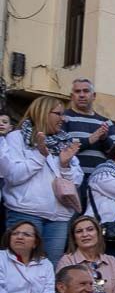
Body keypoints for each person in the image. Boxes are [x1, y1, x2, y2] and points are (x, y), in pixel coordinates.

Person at [1, 96, 83, 264]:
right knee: (19, 266)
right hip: (25, 213)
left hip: (59, 218)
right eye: (58, 114)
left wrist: (65, 165)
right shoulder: (16, 138)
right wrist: (39, 155)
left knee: (49, 270)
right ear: (43, 113)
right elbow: (13, 175)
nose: (63, 118)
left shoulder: (64, 141)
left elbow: (76, 180)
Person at [62, 78, 115, 194]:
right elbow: (61, 146)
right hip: (72, 180)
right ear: (71, 96)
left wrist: (104, 139)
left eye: (86, 91)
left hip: (100, 184)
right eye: (77, 92)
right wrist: (90, 140)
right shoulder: (63, 118)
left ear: (94, 95)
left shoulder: (106, 122)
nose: (82, 95)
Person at [0, 221, 55, 293]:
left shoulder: (46, 264)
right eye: (15, 233)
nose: (19, 237)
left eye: (26, 234)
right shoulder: (1, 258)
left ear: (35, 243)